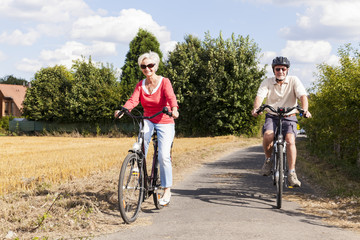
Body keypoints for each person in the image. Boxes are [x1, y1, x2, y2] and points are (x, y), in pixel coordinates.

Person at [115, 51, 179, 205]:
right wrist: (124, 110)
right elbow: (133, 100)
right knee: (139, 148)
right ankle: (141, 177)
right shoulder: (141, 85)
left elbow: (171, 98)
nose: (147, 68)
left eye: (150, 65)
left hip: (165, 119)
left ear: (155, 66)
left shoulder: (164, 82)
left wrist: (174, 109)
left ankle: (166, 190)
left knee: (163, 156)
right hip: (147, 119)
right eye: (144, 66)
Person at [251, 56, 311, 187]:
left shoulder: (294, 80)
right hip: (272, 115)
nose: (281, 71)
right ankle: (268, 161)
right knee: (268, 135)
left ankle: (291, 173)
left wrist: (305, 110)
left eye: (283, 69)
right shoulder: (267, 82)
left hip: (289, 116)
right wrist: (256, 108)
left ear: (287, 70)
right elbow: (259, 96)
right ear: (274, 70)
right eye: (278, 69)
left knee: (290, 140)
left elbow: (302, 96)